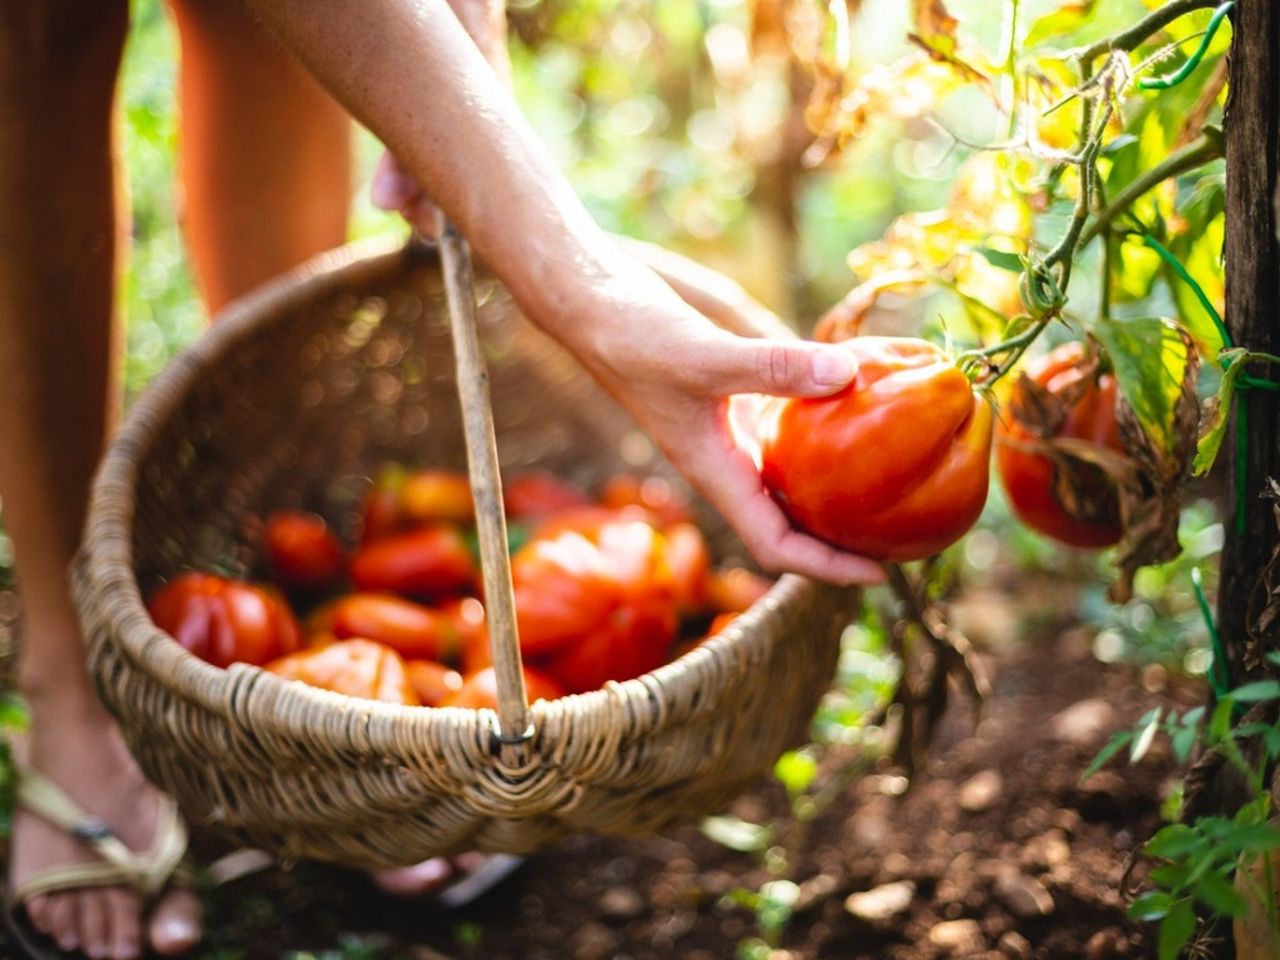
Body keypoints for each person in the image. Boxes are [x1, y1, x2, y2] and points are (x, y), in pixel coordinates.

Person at [0, 1, 885, 957]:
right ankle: (69, 685)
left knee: (252, 22)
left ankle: (304, 611)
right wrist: (575, 279)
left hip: (432, 639)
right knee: (41, 35)